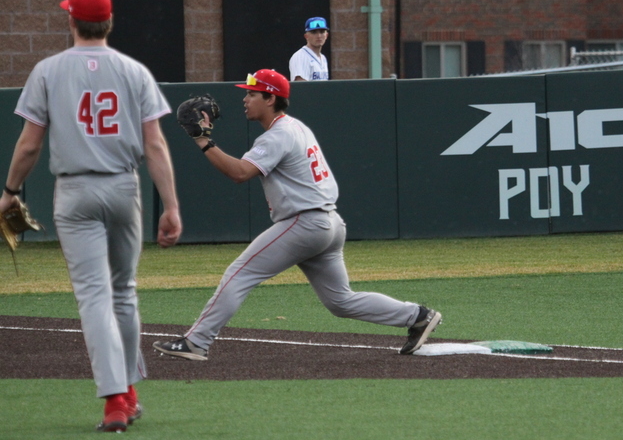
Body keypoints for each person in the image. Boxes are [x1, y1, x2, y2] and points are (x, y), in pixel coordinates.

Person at [153, 68, 440, 360]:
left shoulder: (278, 135)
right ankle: (417, 316)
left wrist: (203, 140)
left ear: (270, 98)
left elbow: (239, 173)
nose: (245, 99)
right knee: (340, 301)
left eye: (252, 93)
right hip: (330, 223)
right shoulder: (296, 127)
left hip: (305, 223)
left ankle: (196, 342)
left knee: (238, 275)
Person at [0, 0, 183, 432]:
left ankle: (115, 401)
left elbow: (29, 146)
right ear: (110, 21)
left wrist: (9, 190)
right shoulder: (133, 70)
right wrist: (171, 206)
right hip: (124, 187)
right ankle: (130, 390)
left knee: (95, 296)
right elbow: (154, 145)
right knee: (124, 292)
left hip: (75, 191)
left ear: (71, 20)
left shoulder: (48, 69)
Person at [288, 17, 330, 81]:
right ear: (306, 36)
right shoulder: (300, 57)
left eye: (322, 32)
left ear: (326, 35)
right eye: (314, 32)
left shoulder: (323, 58)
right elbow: (301, 87)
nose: (318, 36)